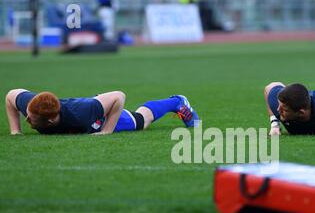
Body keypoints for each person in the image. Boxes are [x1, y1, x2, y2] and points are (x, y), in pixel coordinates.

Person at [5, 89, 199, 135]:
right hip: (92, 110)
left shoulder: (82, 112)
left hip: (100, 114)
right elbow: (10, 95)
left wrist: (106, 131)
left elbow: (119, 96)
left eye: (30, 118)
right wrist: (15, 130)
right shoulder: (33, 106)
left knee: (141, 120)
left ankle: (177, 102)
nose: (27, 118)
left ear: (49, 122)